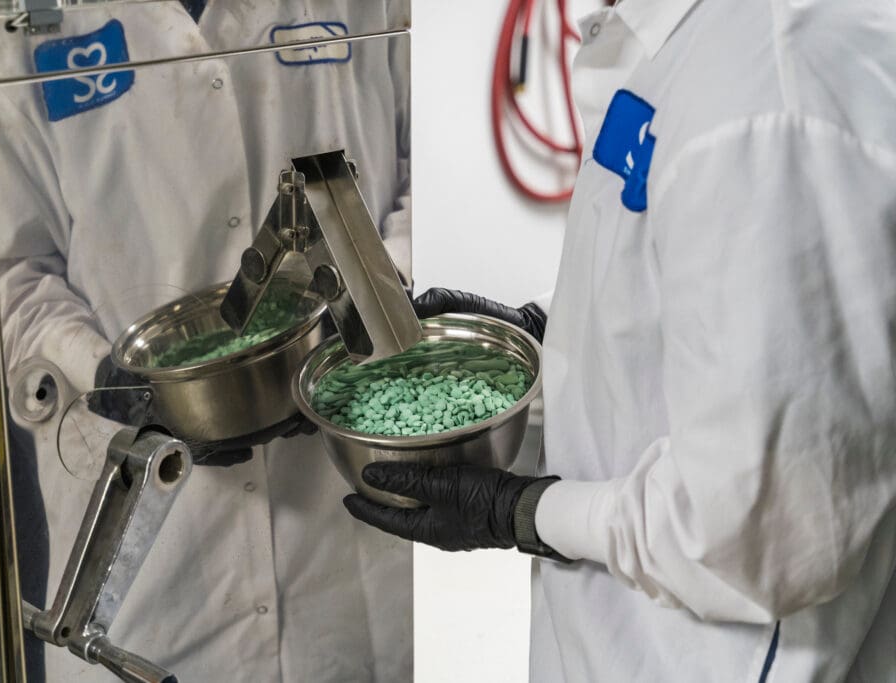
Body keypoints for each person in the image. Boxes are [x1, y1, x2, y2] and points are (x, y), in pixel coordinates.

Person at [345, 1, 896, 681]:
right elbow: (703, 285)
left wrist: (521, 510)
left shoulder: (767, 99)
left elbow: (763, 533)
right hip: (622, 637)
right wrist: (551, 329)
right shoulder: (681, 44)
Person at [0, 1, 412, 681]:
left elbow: (432, 168)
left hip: (345, 527)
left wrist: (375, 297)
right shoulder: (24, 23)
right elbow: (9, 269)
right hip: (151, 553)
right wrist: (107, 377)